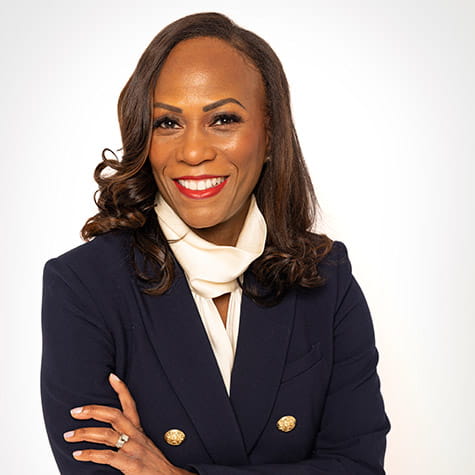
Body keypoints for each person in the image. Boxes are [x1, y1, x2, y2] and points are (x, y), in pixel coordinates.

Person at [41, 12, 390, 474]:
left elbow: (359, 467)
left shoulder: (326, 277)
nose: (192, 152)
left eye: (223, 119)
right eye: (167, 123)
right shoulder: (84, 285)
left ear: (269, 136)